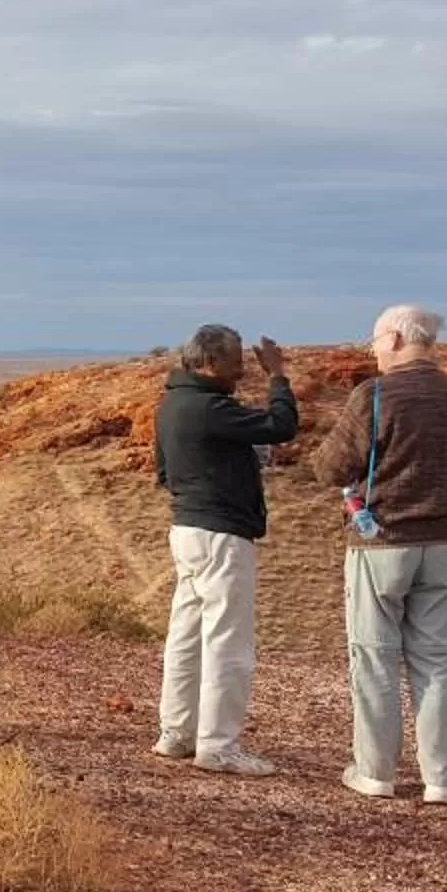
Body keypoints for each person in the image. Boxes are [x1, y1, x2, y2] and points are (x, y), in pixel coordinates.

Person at [312, 304, 447, 805]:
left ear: (392, 339)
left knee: (375, 657)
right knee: (436, 662)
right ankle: (444, 780)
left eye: (373, 341)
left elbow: (330, 467)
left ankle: (375, 771)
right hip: (445, 539)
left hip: (382, 541)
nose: (371, 350)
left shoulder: (374, 395)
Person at [152, 323, 298, 777]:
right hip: (221, 534)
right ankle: (218, 745)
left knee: (187, 634)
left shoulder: (171, 405)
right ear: (211, 363)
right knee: (227, 642)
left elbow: (162, 472)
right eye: (236, 364)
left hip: (187, 528)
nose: (241, 373)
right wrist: (278, 376)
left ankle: (176, 733)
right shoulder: (210, 408)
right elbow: (281, 425)